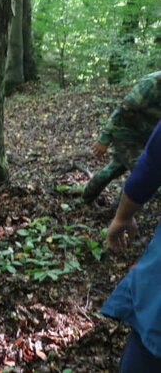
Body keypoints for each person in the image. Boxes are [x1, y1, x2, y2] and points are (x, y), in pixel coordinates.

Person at [101, 119, 161, 371]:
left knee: (154, 322)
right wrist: (104, 139)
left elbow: (152, 164)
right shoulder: (147, 87)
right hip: (127, 135)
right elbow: (121, 113)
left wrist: (123, 216)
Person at [82, 70, 161, 204]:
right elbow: (122, 110)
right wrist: (104, 138)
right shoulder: (150, 84)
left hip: (147, 136)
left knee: (114, 169)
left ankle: (86, 198)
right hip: (126, 134)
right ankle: (120, 213)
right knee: (142, 172)